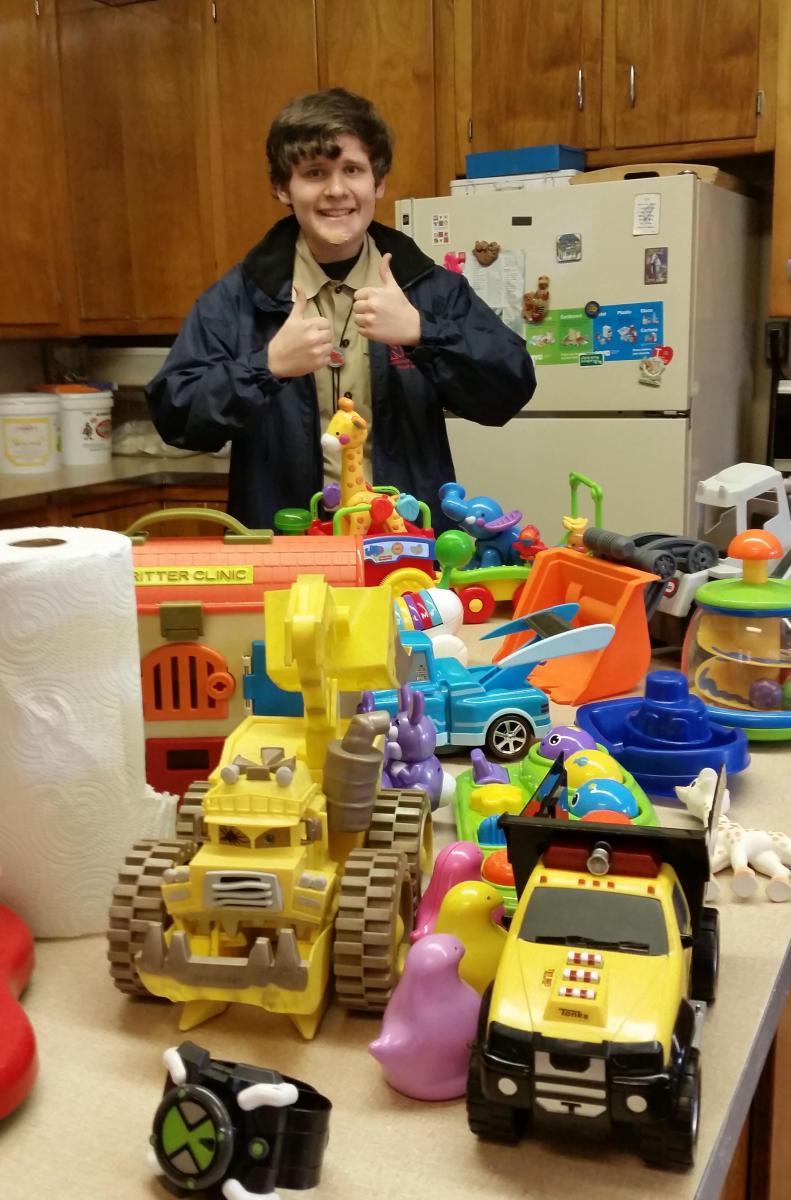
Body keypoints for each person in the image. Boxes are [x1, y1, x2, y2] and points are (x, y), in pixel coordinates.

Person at [146, 88, 536, 533]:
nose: (336, 191)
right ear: (283, 188)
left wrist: (423, 332)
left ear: (378, 182)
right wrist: (266, 367)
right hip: (283, 544)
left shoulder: (426, 288)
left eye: (352, 170)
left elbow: (510, 389)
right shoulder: (239, 298)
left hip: (405, 542)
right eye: (315, 173)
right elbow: (175, 418)